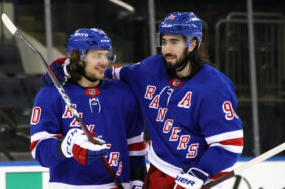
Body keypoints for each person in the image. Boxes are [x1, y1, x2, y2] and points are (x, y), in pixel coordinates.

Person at [42, 12, 243, 189]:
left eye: (174, 42)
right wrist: (68, 66)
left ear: (192, 44)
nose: (167, 49)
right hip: (160, 172)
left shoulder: (214, 87)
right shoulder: (150, 69)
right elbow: (104, 73)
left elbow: (229, 146)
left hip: (200, 180)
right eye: (164, 42)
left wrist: (201, 172)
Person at [30, 28, 146, 189]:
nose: (104, 62)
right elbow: (39, 151)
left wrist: (138, 183)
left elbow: (135, 147)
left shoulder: (123, 93)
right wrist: (67, 145)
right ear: (77, 58)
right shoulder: (51, 95)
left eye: (106, 55)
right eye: (97, 55)